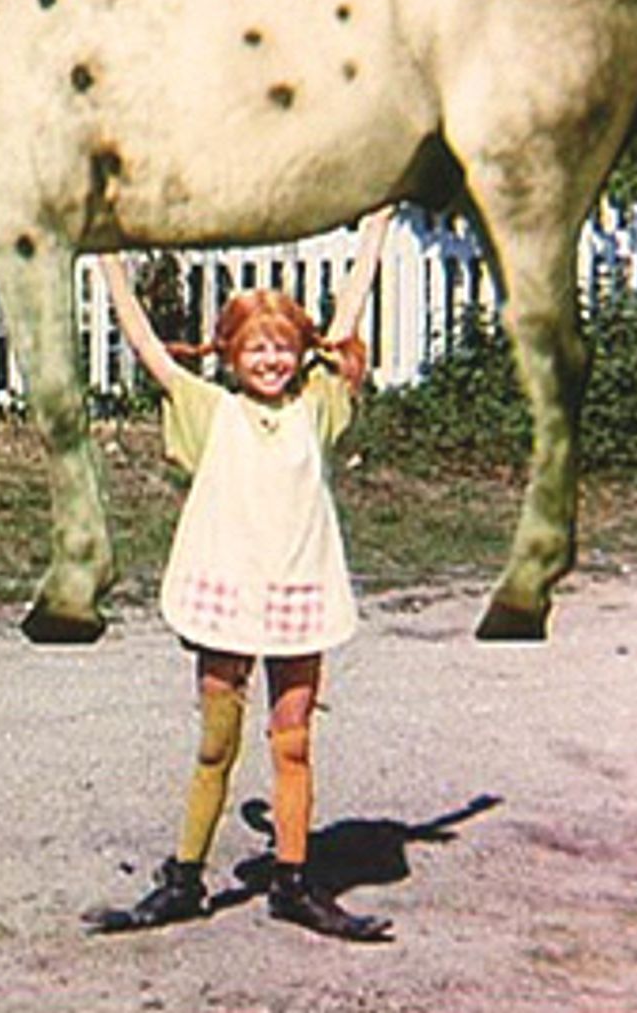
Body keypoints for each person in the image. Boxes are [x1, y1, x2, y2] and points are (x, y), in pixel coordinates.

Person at [90, 215, 395, 943]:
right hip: (228, 597)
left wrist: (378, 225)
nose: (271, 360)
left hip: (297, 595)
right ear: (232, 354)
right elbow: (143, 343)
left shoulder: (316, 407)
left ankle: (293, 879)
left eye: (283, 348)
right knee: (215, 745)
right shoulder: (208, 407)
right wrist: (103, 252)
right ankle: (184, 879)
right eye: (258, 347)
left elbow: (346, 313)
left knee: (292, 742)